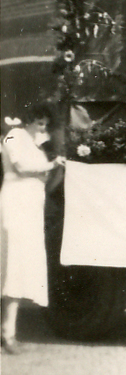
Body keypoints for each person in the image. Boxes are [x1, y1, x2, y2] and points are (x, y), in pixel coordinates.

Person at [1, 104, 65, 355]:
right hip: (16, 203)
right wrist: (50, 166)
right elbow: (22, 168)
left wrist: (53, 168)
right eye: (39, 122)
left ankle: (7, 331)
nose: (42, 127)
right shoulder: (14, 136)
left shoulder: (33, 143)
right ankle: (9, 334)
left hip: (29, 206)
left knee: (18, 265)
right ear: (28, 120)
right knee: (12, 265)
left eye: (45, 124)